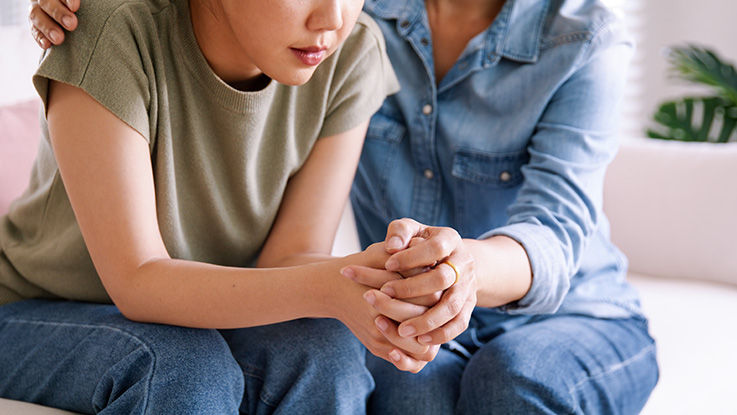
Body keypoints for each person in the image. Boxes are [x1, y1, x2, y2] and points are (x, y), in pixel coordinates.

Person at [29, 0, 661, 413]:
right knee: (385, 386)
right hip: (58, 302)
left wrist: (440, 272)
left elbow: (557, 228)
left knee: (509, 382)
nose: (330, 18)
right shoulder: (365, 23)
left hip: (563, 310)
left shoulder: (580, 37)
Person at [0, 0, 443, 413]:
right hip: (35, 308)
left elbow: (289, 258)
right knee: (178, 365)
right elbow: (137, 281)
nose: (331, 19)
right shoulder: (115, 30)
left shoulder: (351, 51)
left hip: (207, 315)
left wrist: (373, 278)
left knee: (324, 349)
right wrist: (328, 287)